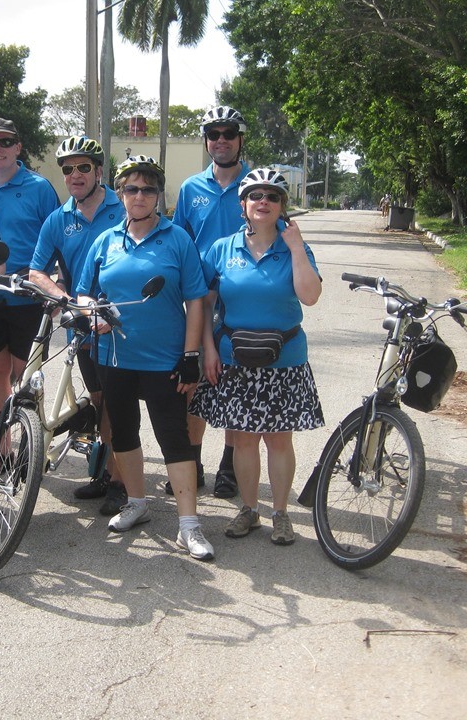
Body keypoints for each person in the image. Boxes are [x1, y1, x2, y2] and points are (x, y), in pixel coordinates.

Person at [75, 156, 215, 561]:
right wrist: (91, 311)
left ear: (159, 195)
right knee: (123, 433)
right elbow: (85, 290)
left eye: (148, 189)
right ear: (120, 193)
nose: (139, 196)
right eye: (132, 188)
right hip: (116, 358)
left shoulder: (177, 239)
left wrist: (191, 355)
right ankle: (135, 502)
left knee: (174, 438)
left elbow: (195, 297)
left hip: (164, 359)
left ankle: (189, 524)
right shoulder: (106, 240)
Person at [188, 168, 325, 546]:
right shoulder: (222, 249)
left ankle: (281, 514)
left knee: (279, 441)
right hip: (235, 358)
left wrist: (296, 248)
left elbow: (310, 296)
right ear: (243, 205)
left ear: (282, 206)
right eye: (255, 195)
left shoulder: (296, 247)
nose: (263, 201)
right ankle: (249, 508)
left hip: (285, 361)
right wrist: (209, 349)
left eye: (272, 196)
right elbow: (204, 303)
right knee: (244, 440)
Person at [28, 137, 126, 516]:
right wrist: (67, 300)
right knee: (101, 402)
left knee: (118, 406)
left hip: (120, 326)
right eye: (68, 169)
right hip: (83, 328)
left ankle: (120, 484)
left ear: (99, 171)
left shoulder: (123, 209)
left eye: (83, 167)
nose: (75, 175)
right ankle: (104, 473)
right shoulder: (58, 219)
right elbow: (37, 271)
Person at [171, 106, 253, 499]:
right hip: (198, 299)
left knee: (233, 383)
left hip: (240, 301)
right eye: (213, 134)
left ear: (240, 140)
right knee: (194, 384)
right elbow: (180, 243)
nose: (221, 139)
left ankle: (229, 465)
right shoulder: (191, 189)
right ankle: (193, 460)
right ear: (206, 141)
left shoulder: (255, 185)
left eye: (228, 133)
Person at [0, 117, 61, 424]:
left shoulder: (39, 188)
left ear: (18, 147)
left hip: (27, 296)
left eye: (6, 142)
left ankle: (33, 444)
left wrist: (55, 288)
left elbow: (56, 240)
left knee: (28, 375)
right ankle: (1, 445)